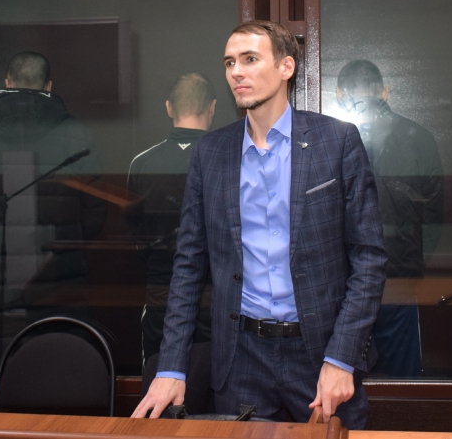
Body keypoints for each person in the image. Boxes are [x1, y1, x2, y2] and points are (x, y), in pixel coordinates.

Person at [132, 21, 386, 428]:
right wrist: (172, 366)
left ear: (286, 67)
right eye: (230, 62)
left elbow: (369, 258)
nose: (237, 71)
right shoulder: (211, 153)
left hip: (319, 353)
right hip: (240, 358)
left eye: (250, 59)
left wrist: (342, 357)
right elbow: (188, 266)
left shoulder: (336, 142)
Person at [0, 51, 106, 361]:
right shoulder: (76, 135)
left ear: (7, 83)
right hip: (57, 275)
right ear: (48, 86)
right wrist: (68, 245)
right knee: (55, 367)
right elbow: (94, 210)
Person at [336, 60, 443, 378]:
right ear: (384, 91)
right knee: (402, 383)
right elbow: (433, 214)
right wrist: (414, 264)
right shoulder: (419, 137)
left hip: (344, 283)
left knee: (342, 375)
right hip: (398, 276)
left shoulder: (329, 141)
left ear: (340, 94)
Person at [126, 73, 216, 373]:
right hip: (214, 297)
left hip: (160, 294)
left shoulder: (142, 163)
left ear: (168, 108)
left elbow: (136, 236)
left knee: (157, 380)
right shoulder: (228, 160)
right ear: (212, 107)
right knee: (213, 384)